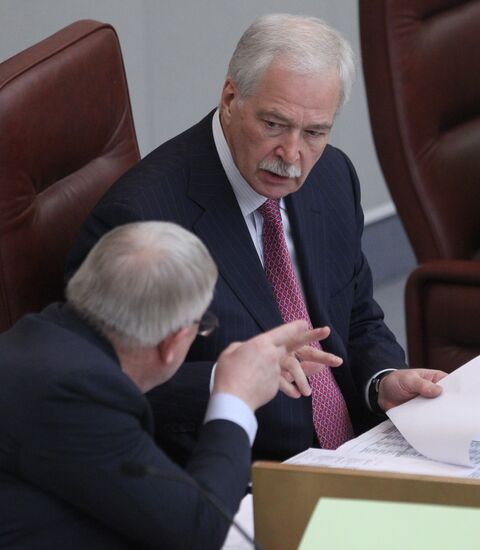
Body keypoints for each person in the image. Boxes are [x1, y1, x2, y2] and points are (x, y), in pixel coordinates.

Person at [66, 14, 446, 465]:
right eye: (273, 124)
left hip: (359, 452)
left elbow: (358, 315)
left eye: (314, 132)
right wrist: (228, 378)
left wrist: (383, 381)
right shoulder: (142, 221)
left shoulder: (333, 176)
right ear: (230, 98)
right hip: (245, 474)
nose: (292, 155)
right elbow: (102, 380)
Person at [0, 221, 324, 549]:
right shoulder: (72, 398)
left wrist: (232, 376)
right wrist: (236, 399)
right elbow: (198, 531)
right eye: (202, 325)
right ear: (173, 342)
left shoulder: (45, 337)